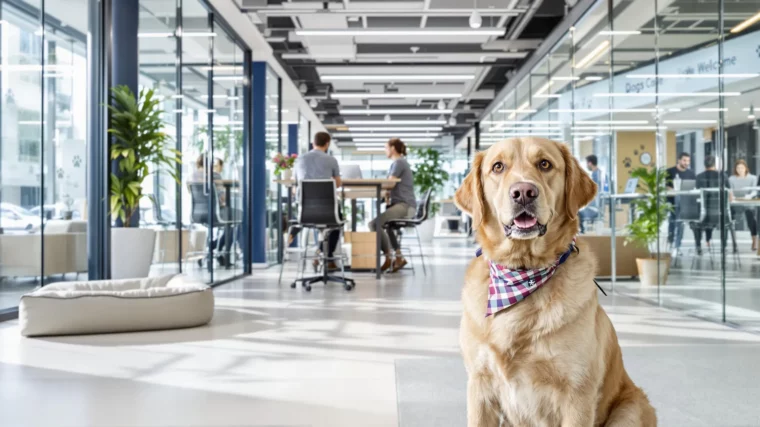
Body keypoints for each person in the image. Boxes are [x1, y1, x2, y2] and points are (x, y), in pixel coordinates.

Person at [290, 132, 343, 269]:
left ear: (313, 143)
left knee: (309, 216)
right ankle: (326, 256)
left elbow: (295, 184)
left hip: (305, 212)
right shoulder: (331, 160)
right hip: (327, 210)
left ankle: (296, 228)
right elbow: (337, 184)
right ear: (327, 144)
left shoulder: (299, 159)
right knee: (337, 224)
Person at [369, 138, 417, 272]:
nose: (385, 150)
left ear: (393, 148)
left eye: (386, 148)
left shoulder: (399, 163)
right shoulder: (399, 163)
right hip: (404, 205)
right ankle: (398, 257)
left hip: (405, 206)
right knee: (387, 226)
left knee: (373, 224)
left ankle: (388, 257)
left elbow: (390, 184)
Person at [694, 155, 734, 255]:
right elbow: (729, 193)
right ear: (715, 165)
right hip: (721, 214)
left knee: (696, 222)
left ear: (704, 165)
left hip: (704, 215)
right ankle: (723, 247)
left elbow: (698, 194)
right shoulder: (723, 175)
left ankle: (698, 246)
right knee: (725, 222)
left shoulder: (699, 177)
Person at [665, 152, 696, 251]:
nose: (686, 163)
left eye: (688, 161)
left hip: (685, 202)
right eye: (684, 160)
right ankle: (670, 241)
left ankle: (677, 246)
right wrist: (673, 190)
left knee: (680, 224)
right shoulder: (670, 171)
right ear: (679, 160)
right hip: (672, 201)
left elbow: (693, 187)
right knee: (673, 222)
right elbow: (665, 186)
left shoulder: (691, 173)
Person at [729, 159, 758, 251]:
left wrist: (749, 196)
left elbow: (754, 191)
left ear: (746, 168)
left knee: (751, 218)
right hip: (735, 203)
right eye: (738, 168)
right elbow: (731, 191)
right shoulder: (731, 179)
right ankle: (734, 243)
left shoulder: (753, 178)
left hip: (748, 202)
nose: (740, 170)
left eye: (742, 168)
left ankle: (754, 241)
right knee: (730, 219)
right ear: (735, 169)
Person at [578, 155, 603, 234]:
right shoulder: (598, 174)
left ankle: (581, 232)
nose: (586, 165)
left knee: (574, 213)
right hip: (594, 206)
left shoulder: (596, 176)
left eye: (586, 163)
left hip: (593, 208)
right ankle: (581, 231)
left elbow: (591, 192)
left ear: (590, 163)